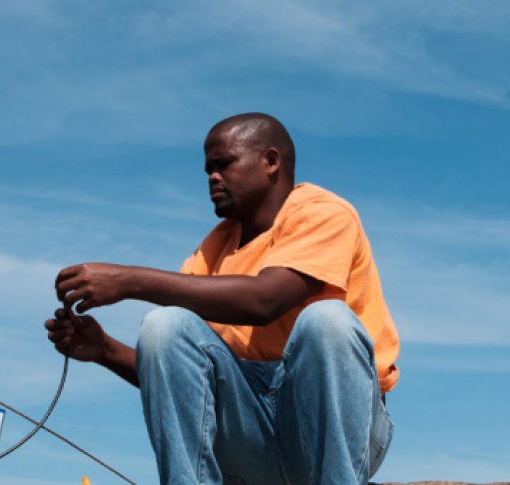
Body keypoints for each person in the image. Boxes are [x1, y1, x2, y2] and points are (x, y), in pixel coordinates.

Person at [45, 113, 399, 485]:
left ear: (270, 161)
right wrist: (104, 349)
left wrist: (130, 281)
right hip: (251, 446)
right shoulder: (212, 250)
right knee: (165, 325)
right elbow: (182, 374)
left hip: (334, 443)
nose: (213, 177)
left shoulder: (323, 213)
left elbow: (266, 300)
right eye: (208, 170)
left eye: (224, 164)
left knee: (326, 321)